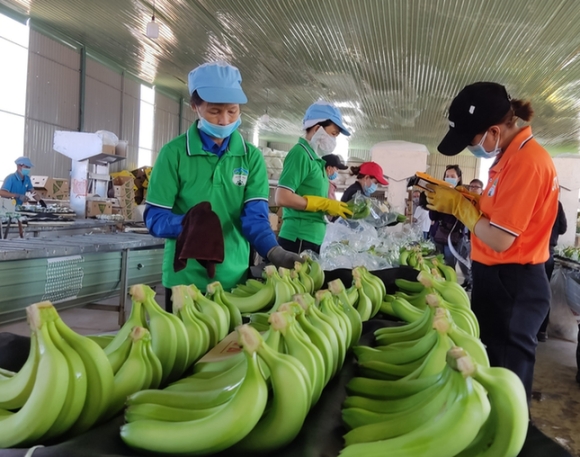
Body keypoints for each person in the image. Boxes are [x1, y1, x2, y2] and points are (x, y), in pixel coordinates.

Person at [429, 81, 558, 400]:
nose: (471, 147)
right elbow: (499, 216)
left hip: (512, 283)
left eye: (470, 139)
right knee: (490, 369)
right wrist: (469, 200)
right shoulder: (508, 160)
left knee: (504, 381)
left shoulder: (526, 163)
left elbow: (500, 239)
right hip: (498, 279)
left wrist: (461, 209)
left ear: (493, 131)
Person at [144, 61, 302, 310]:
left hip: (234, 278)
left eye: (232, 111)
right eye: (215, 111)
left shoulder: (250, 157)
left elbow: (255, 218)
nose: (224, 120)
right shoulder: (173, 154)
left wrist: (274, 251)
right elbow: (155, 217)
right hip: (184, 280)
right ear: (195, 106)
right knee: (182, 348)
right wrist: (189, 225)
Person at [275, 101, 353, 254]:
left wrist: (330, 208)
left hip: (312, 238)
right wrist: (322, 204)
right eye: (333, 134)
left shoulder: (317, 161)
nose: (334, 140)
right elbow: (282, 198)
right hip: (298, 239)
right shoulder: (300, 154)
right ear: (317, 128)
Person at [537, 200, 567, 342]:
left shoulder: (534, 199)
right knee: (544, 292)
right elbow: (563, 228)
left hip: (533, 251)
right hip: (549, 252)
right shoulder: (556, 204)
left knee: (528, 290)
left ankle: (528, 329)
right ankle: (542, 331)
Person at [428, 165, 466, 269]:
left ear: (458, 178)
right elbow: (433, 216)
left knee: (448, 266)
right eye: (447, 176)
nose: (449, 178)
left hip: (453, 238)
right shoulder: (439, 193)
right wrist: (435, 202)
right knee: (435, 265)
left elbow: (464, 218)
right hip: (437, 235)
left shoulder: (463, 196)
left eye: (452, 176)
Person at [457, 178, 485, 290]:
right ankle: (467, 279)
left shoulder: (483, 203)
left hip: (476, 238)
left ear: (481, 190)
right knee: (462, 260)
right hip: (463, 236)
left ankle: (472, 283)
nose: (473, 189)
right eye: (471, 186)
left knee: (473, 263)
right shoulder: (466, 201)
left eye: (476, 187)